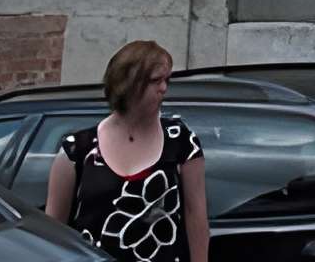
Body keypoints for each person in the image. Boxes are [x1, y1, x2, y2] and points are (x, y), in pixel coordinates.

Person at [44, 41, 206, 262]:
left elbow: (196, 216)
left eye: (167, 80)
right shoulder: (77, 150)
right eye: (155, 81)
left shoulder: (181, 141)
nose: (164, 88)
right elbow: (53, 233)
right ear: (127, 85)